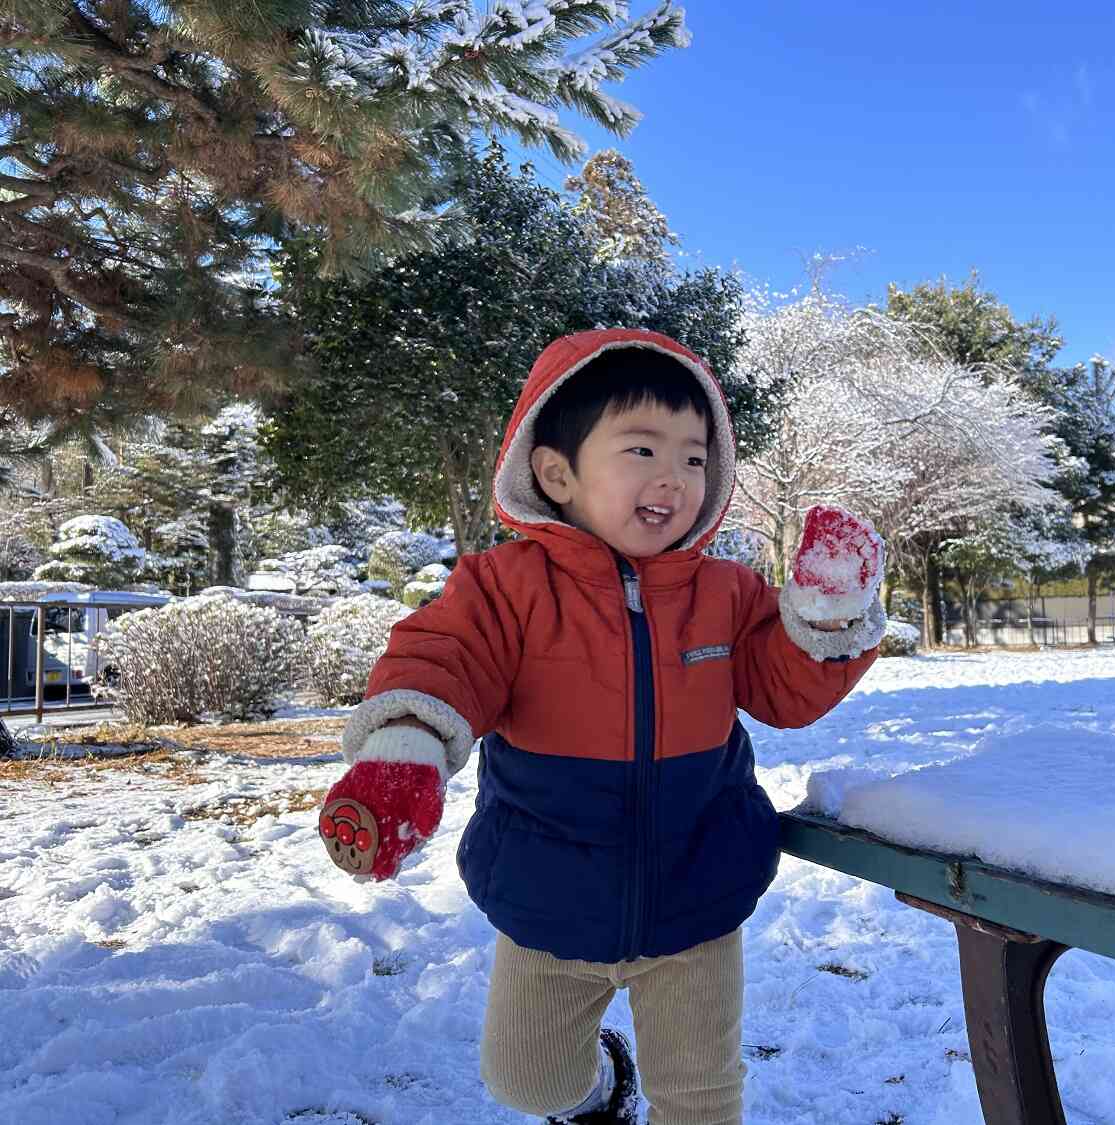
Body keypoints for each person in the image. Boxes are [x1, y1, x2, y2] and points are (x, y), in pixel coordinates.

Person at [317, 329, 886, 1125]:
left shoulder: (723, 590)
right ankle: (596, 1092)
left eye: (694, 458)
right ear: (556, 473)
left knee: (700, 1101)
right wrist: (403, 755)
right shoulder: (504, 588)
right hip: (550, 896)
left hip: (697, 893)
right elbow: (442, 660)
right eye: (643, 449)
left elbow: (783, 689)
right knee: (528, 1081)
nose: (674, 477)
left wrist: (828, 613)